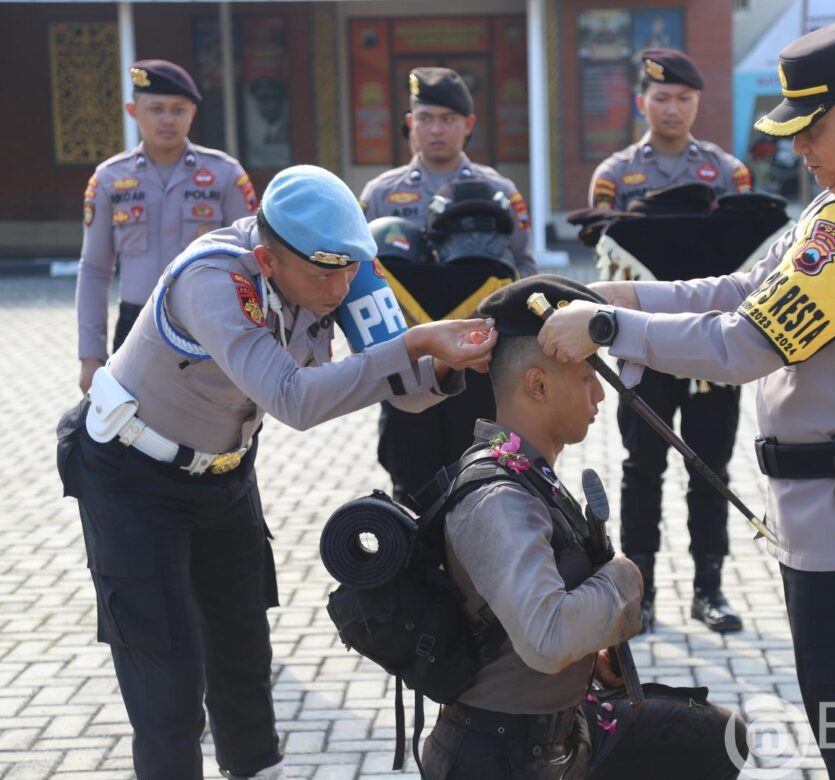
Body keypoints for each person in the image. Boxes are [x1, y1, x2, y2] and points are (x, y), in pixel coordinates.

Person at [538, 13, 835, 777]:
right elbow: (739, 289)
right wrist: (606, 291)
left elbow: (743, 345)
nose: (797, 148)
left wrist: (604, 326)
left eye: (810, 129)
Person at [56, 165, 496, 780]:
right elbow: (294, 399)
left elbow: (410, 389)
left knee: (242, 655)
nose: (341, 287)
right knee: (168, 673)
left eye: (349, 269)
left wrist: (452, 358)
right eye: (323, 275)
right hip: (132, 475)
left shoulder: (345, 263)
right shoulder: (213, 276)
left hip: (226, 475)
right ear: (267, 259)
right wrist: (417, 344)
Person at [422, 275, 748, 779]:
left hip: (557, 732)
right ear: (538, 384)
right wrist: (624, 580)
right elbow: (548, 637)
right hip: (502, 759)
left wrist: (591, 661)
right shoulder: (499, 498)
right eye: (587, 375)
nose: (600, 392)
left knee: (718, 737)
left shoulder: (526, 473)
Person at [589, 48, 754, 634]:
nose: (673, 108)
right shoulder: (613, 177)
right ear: (642, 102)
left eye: (684, 98)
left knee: (711, 466)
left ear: (697, 104)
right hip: (644, 349)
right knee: (642, 467)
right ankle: (642, 590)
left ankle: (709, 589)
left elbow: (747, 257)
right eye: (661, 98)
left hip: (712, 347)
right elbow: (605, 263)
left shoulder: (728, 174)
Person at [360, 67, 536, 505]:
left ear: (468, 125)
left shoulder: (499, 193)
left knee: (480, 479)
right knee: (409, 479)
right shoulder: (380, 196)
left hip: (479, 364)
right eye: (425, 118)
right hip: (407, 364)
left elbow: (524, 267)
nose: (435, 129)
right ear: (410, 123)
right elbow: (358, 277)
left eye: (448, 119)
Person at [77, 59, 256, 394]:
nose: (167, 119)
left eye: (178, 109)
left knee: (216, 433)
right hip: (134, 325)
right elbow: (95, 270)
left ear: (193, 113)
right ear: (133, 110)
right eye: (156, 108)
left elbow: (251, 262)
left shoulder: (225, 175)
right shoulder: (109, 179)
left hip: (208, 326)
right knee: (125, 434)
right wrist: (90, 355)